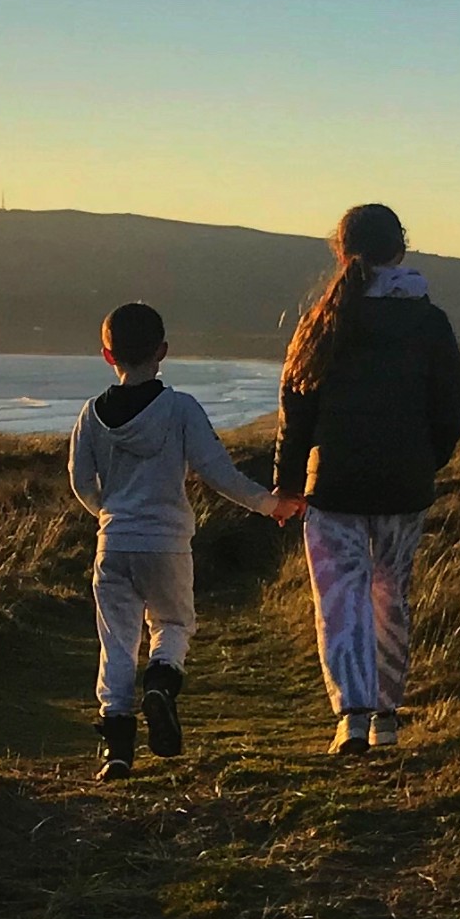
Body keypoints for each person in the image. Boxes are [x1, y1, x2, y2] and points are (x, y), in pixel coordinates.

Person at [70, 302, 304, 781]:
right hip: (167, 542)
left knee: (116, 642)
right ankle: (160, 682)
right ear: (162, 351)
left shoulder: (90, 416)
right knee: (174, 622)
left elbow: (81, 482)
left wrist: (109, 514)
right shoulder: (180, 409)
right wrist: (270, 505)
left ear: (107, 355)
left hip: (113, 542)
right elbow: (219, 474)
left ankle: (117, 751)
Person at [274, 205, 460, 755]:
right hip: (405, 485)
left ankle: (352, 718)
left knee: (342, 600)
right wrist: (427, 460)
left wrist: (287, 484)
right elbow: (452, 402)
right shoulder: (430, 321)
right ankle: (387, 717)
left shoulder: (323, 319)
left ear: (340, 252)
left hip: (334, 484)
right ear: (400, 249)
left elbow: (296, 406)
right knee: (391, 595)